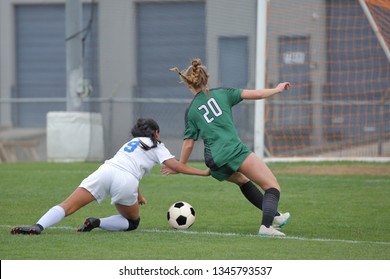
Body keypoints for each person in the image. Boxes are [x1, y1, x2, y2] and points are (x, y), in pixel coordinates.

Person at [11, 118, 210, 235]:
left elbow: (128, 165)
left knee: (67, 205)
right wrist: (203, 172)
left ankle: (38, 226)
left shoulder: (131, 143)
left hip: (105, 171)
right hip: (125, 181)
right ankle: (97, 222)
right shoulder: (156, 144)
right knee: (132, 222)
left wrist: (138, 194)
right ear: (156, 133)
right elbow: (174, 165)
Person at [163, 58, 291, 236]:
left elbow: (189, 143)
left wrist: (181, 164)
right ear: (207, 79)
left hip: (214, 160)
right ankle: (266, 227)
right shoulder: (222, 93)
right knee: (272, 186)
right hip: (233, 150)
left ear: (188, 84)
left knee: (242, 180)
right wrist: (277, 89)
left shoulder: (191, 110)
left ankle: (276, 216)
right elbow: (257, 94)